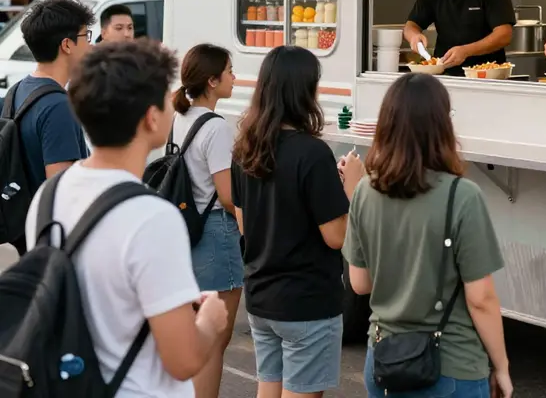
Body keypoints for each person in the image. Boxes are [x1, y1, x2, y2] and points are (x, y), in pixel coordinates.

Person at [24, 38, 229, 397]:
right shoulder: (152, 217)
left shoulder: (49, 195)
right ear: (151, 117)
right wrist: (211, 321)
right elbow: (183, 360)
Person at [343, 73, 512, 398]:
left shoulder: (364, 190)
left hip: (384, 360)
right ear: (443, 126)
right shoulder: (463, 196)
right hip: (451, 367)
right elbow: (481, 299)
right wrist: (501, 366)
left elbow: (360, 283)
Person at [231, 45, 364, 398]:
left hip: (261, 295)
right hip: (306, 301)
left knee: (268, 387)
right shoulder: (313, 153)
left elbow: (245, 225)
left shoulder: (245, 149)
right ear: (303, 91)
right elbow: (337, 236)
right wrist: (353, 189)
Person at [171, 43, 243, 398]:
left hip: (189, 229)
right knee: (215, 340)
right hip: (216, 233)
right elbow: (227, 196)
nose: (234, 77)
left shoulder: (180, 117)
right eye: (229, 71)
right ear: (212, 81)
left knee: (197, 333)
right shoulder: (216, 127)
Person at [9, 0, 95, 256]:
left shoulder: (18, 90)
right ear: (67, 45)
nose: (90, 45)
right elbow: (62, 192)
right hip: (50, 245)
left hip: (23, 233)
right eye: (86, 36)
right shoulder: (58, 107)